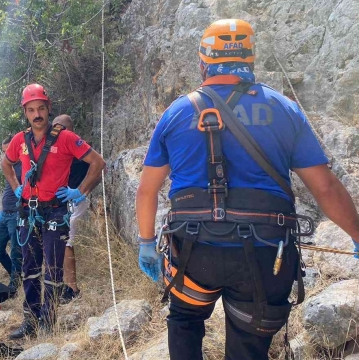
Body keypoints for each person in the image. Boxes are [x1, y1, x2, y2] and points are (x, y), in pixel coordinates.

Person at [136, 19, 359, 360]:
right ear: (250, 59)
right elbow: (325, 188)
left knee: (185, 319)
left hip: (195, 253)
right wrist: (357, 236)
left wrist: (147, 243)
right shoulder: (284, 109)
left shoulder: (177, 113)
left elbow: (147, 190)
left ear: (203, 62)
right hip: (265, 253)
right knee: (248, 344)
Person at [1, 83, 106, 339]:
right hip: (29, 210)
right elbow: (6, 163)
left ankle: (48, 320)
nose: (37, 114)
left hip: (56, 211)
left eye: (41, 109)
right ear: (25, 112)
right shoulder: (20, 140)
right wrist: (16, 186)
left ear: (48, 109)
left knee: (53, 267)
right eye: (31, 110)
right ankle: (31, 320)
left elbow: (98, 162)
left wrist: (80, 191)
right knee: (30, 266)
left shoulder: (66, 138)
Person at [52, 115, 89, 303]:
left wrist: (82, 191)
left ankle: (73, 288)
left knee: (66, 244)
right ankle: (64, 285)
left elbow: (99, 167)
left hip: (74, 201)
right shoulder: (58, 148)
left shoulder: (78, 147)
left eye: (58, 127)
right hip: (61, 202)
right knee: (60, 243)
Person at [0, 135, 23, 296]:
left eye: (9, 150)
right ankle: (17, 275)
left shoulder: (24, 165)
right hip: (4, 214)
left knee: (16, 251)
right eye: (4, 152)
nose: (7, 154)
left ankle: (14, 286)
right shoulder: (7, 165)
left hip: (17, 214)